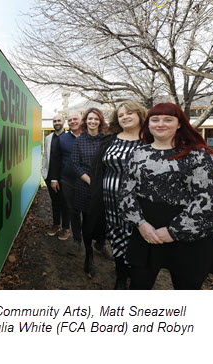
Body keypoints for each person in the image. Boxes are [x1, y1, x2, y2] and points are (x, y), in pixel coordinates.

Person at [119, 102, 213, 289]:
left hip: (189, 236)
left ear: (179, 124)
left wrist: (172, 231)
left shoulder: (199, 156)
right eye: (155, 120)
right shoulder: (138, 154)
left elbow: (210, 201)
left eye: (168, 119)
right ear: (148, 124)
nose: (161, 124)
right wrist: (141, 224)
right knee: (137, 286)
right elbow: (125, 194)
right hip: (146, 232)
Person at [87, 100, 148, 289]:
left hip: (139, 205)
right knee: (116, 237)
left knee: (137, 239)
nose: (125, 117)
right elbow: (99, 168)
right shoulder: (110, 139)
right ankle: (120, 276)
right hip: (110, 203)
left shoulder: (150, 140)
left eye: (129, 113)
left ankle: (135, 275)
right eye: (121, 115)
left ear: (139, 115)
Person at [71, 108, 107, 275]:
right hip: (85, 186)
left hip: (104, 187)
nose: (93, 121)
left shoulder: (107, 140)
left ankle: (101, 243)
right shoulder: (79, 140)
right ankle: (89, 256)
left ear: (100, 121)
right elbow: (75, 164)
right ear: (85, 121)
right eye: (90, 119)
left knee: (102, 221)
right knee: (87, 221)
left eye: (96, 119)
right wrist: (91, 181)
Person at [50, 111, 83, 250]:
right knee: (69, 208)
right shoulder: (62, 139)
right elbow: (55, 160)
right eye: (70, 120)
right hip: (66, 179)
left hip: (86, 181)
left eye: (75, 119)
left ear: (81, 120)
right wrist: (54, 178)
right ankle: (75, 239)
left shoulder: (89, 137)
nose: (73, 122)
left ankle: (97, 242)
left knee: (86, 212)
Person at [41, 114, 70, 239]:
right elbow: (46, 156)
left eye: (59, 120)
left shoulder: (69, 137)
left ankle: (66, 228)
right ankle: (56, 224)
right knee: (55, 202)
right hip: (50, 176)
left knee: (65, 203)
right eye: (54, 121)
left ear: (64, 122)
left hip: (65, 177)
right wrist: (43, 172)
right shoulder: (48, 138)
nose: (57, 122)